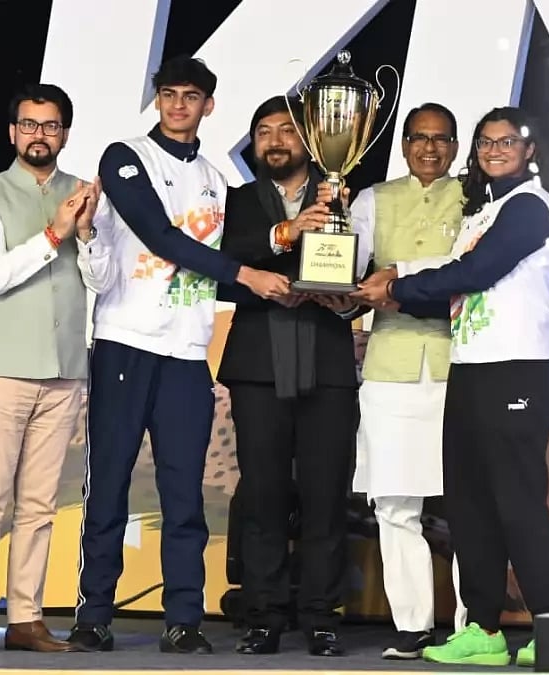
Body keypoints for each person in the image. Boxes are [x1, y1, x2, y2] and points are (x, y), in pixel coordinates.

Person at [67, 56, 289, 655]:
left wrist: (295, 269)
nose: (179, 105)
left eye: (191, 96)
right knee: (109, 482)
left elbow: (215, 272)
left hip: (187, 350)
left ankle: (183, 618)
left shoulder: (218, 181)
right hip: (125, 341)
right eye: (168, 95)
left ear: (208, 106)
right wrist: (248, 271)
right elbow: (160, 238)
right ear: (158, 101)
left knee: (184, 494)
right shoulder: (125, 156)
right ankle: (93, 614)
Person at [354, 106, 549, 668]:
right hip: (468, 367)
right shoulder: (480, 214)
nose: (495, 151)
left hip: (516, 368)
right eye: (486, 143)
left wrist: (395, 289)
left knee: (518, 503)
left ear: (530, 150)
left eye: (507, 142)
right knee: (470, 508)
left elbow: (474, 274)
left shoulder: (531, 208)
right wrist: (394, 277)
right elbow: (448, 262)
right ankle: (485, 630)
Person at [0, 83, 110, 653]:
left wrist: (88, 234)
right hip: (3, 366)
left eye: (49, 125)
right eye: (29, 124)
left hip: (66, 368)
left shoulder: (86, 194)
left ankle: (26, 618)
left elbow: (101, 281)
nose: (38, 134)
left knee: (41, 504)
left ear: (64, 133)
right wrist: (54, 234)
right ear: (13, 132)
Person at [216, 95, 362, 658]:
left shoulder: (341, 199)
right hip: (258, 364)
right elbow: (227, 262)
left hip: (325, 362)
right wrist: (287, 232)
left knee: (327, 497)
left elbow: (362, 273)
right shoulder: (234, 201)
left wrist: (344, 299)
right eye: (263, 132)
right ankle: (264, 616)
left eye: (285, 131)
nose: (274, 141)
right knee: (263, 496)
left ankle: (322, 617)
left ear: (309, 141)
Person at [348, 102, 469, 659]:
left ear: (455, 147)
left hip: (463, 364)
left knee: (469, 502)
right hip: (391, 366)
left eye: (441, 139)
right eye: (419, 138)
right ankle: (412, 625)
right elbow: (349, 272)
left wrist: (398, 279)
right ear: (403, 145)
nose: (429, 148)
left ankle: (476, 624)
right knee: (395, 503)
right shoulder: (373, 199)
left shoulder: (477, 200)